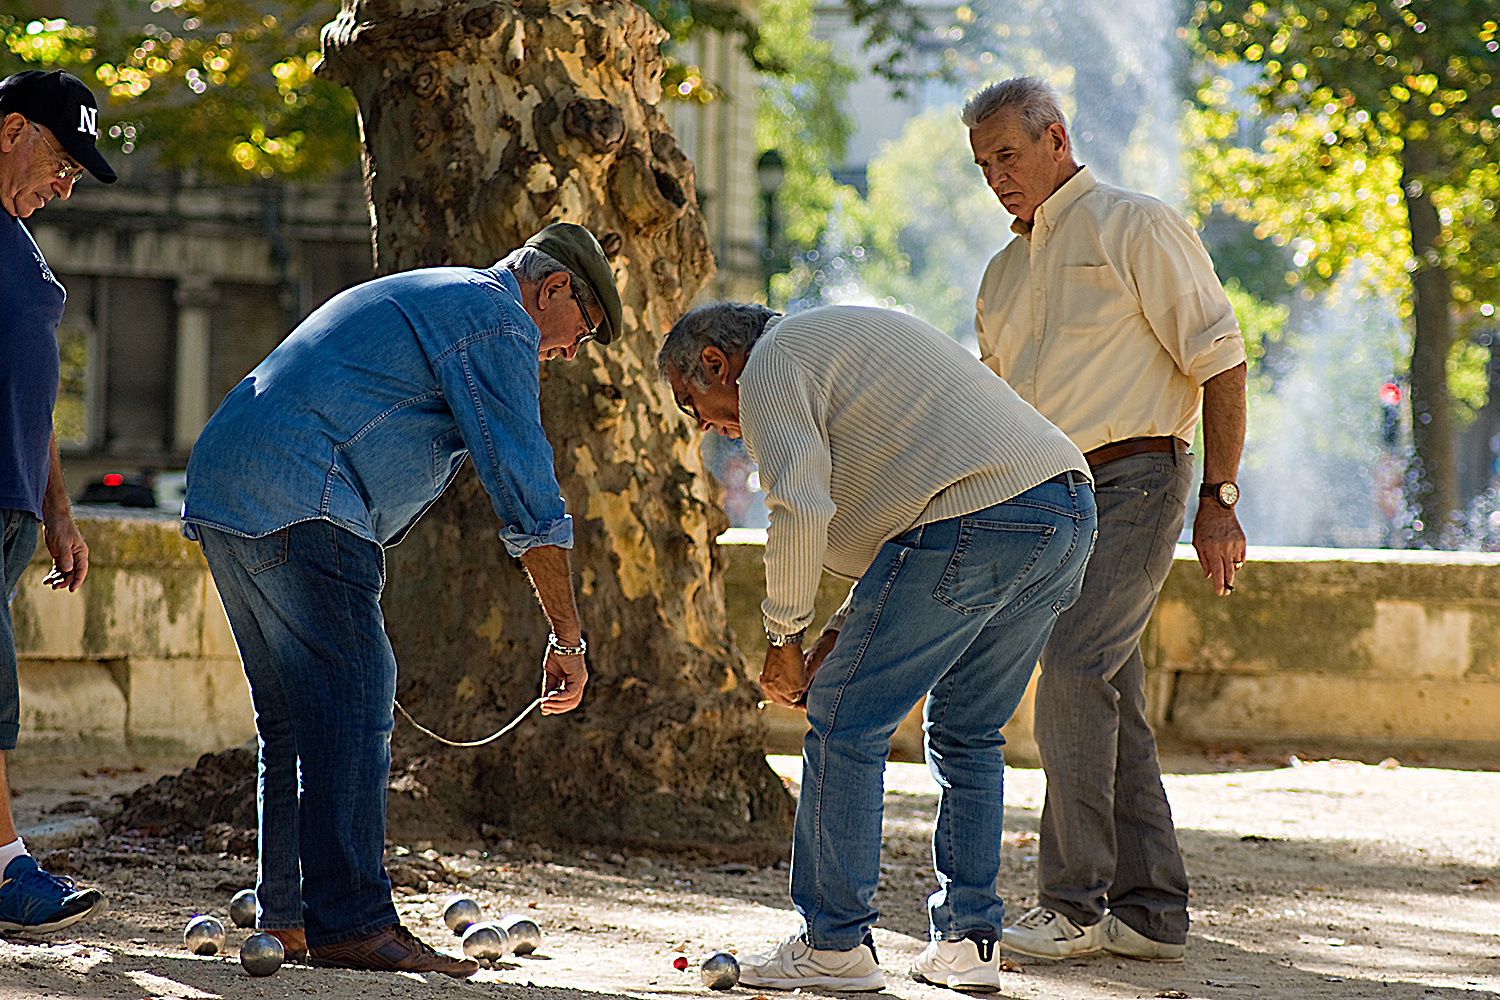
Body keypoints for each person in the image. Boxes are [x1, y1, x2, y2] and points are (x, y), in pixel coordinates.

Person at [181, 222, 621, 977]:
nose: (569, 354)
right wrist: (568, 639)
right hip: (303, 492)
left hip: (225, 484)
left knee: (293, 717)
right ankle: (351, 920)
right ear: (552, 290)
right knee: (356, 694)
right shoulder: (496, 317)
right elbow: (525, 486)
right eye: (579, 333)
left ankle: (286, 917)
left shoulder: (437, 290)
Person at [658, 302, 1097, 992]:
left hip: (978, 516)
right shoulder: (832, 341)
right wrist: (835, 632)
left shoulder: (771, 362)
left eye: (696, 405)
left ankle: (833, 944)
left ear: (716, 361)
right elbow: (906, 525)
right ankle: (969, 943)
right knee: (970, 730)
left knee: (841, 720)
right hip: (1065, 511)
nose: (710, 428)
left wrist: (785, 637)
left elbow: (799, 508)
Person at [964, 77, 1248, 963]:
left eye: (1008, 155)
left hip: (1140, 477)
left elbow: (1223, 363)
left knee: (1075, 667)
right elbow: (998, 412)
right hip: (1052, 499)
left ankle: (1073, 904)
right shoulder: (1002, 274)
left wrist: (1219, 500)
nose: (996, 179)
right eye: (982, 165)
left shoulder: (1137, 225)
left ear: (1056, 138)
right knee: (1110, 693)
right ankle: (1152, 913)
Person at [0, 69, 114, 934]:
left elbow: (31, 399)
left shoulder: (19, 239)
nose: (64, 186)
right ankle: (7, 870)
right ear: (13, 131)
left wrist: (59, 512)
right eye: (63, 162)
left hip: (11, 505)